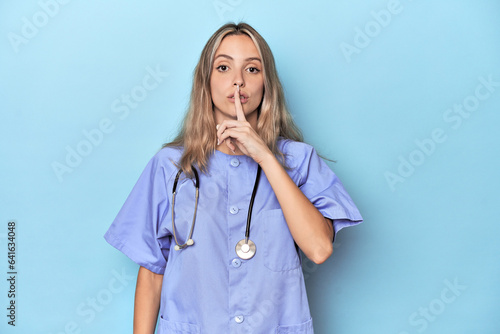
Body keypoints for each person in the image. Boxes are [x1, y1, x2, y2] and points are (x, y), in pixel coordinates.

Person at [104, 22, 363, 334]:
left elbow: (319, 249)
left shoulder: (299, 161)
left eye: (252, 69)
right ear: (206, 80)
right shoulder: (170, 166)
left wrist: (265, 157)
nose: (238, 81)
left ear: (267, 83)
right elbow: (151, 272)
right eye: (224, 67)